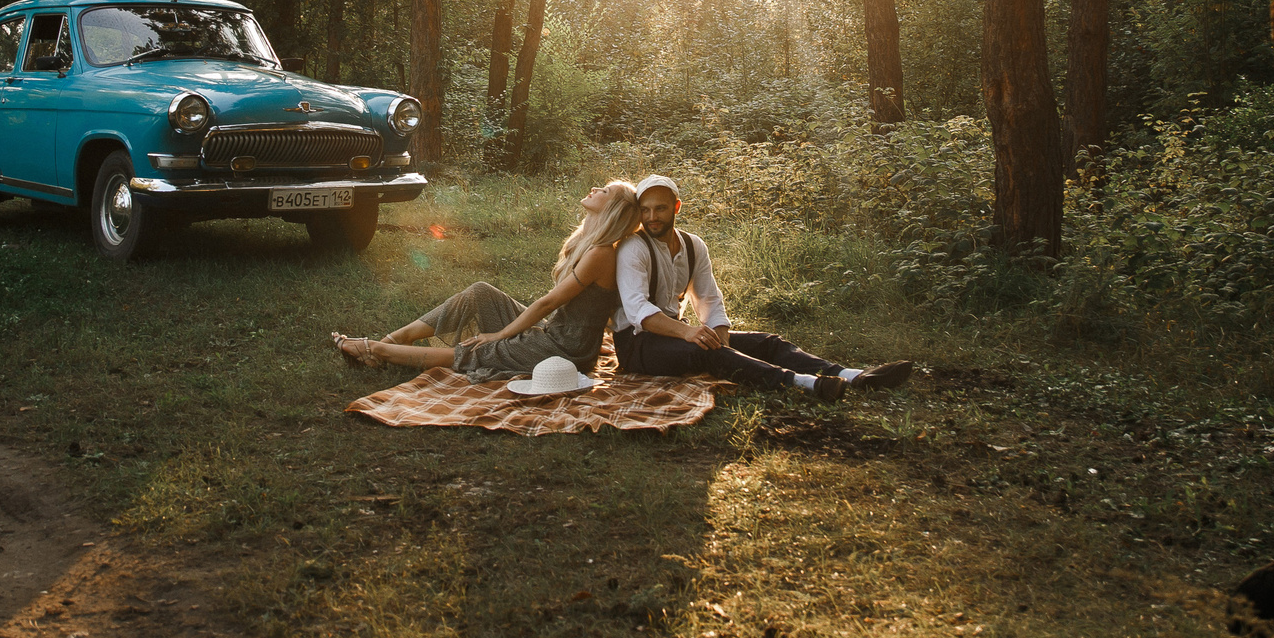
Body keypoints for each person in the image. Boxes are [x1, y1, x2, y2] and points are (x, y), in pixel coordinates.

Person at [613, 174, 911, 403]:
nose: (652, 217)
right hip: (637, 345)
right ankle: (805, 384)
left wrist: (720, 337)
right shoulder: (633, 248)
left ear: (677, 207)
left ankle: (852, 375)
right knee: (704, 351)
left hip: (676, 334)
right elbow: (640, 312)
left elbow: (709, 299)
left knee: (767, 343)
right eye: (646, 210)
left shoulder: (693, 245)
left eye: (660, 209)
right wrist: (691, 334)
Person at [332, 180, 639, 381]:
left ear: (612, 209)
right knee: (481, 293)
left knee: (476, 353)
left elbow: (549, 302)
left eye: (605, 191)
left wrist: (499, 335)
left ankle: (376, 350)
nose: (595, 189)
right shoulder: (588, 242)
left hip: (567, 349)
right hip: (556, 332)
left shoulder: (602, 253)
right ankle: (394, 340)